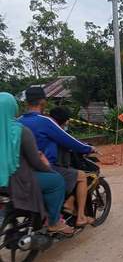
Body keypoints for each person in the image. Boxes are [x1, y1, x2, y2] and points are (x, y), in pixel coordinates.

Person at [0, 92, 73, 235]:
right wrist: (49, 169)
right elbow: (35, 162)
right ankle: (54, 222)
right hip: (18, 180)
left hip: (2, 184)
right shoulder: (20, 131)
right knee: (56, 181)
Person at [20, 87, 95, 227]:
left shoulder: (18, 122)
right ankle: (80, 217)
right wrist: (89, 148)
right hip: (46, 167)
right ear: (42, 101)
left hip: (24, 169)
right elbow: (68, 140)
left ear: (26, 102)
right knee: (81, 176)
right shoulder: (45, 121)